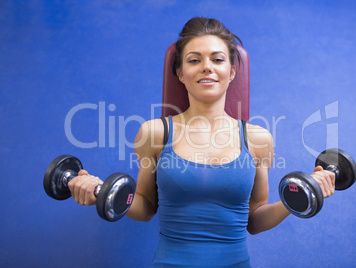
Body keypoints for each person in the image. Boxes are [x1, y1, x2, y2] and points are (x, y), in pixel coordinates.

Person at [68, 17, 335, 267]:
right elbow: (145, 207)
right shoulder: (154, 133)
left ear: (231, 72)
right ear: (180, 73)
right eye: (194, 60)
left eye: (217, 59)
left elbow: (255, 219)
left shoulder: (258, 139)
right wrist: (101, 192)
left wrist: (299, 197)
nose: (207, 66)